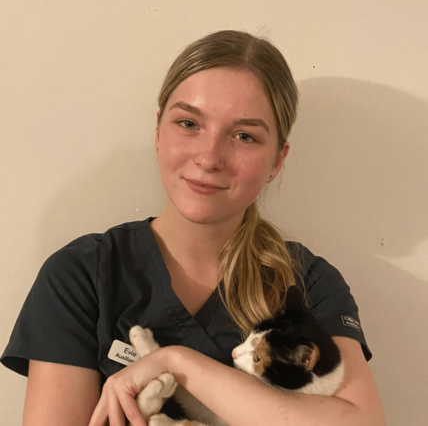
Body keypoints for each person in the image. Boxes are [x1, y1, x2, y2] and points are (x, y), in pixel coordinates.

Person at [1, 30, 385, 426]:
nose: (209, 157)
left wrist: (175, 362)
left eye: (243, 135)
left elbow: (361, 421)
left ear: (277, 160)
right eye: (188, 123)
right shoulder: (82, 275)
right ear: (157, 130)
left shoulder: (308, 283)